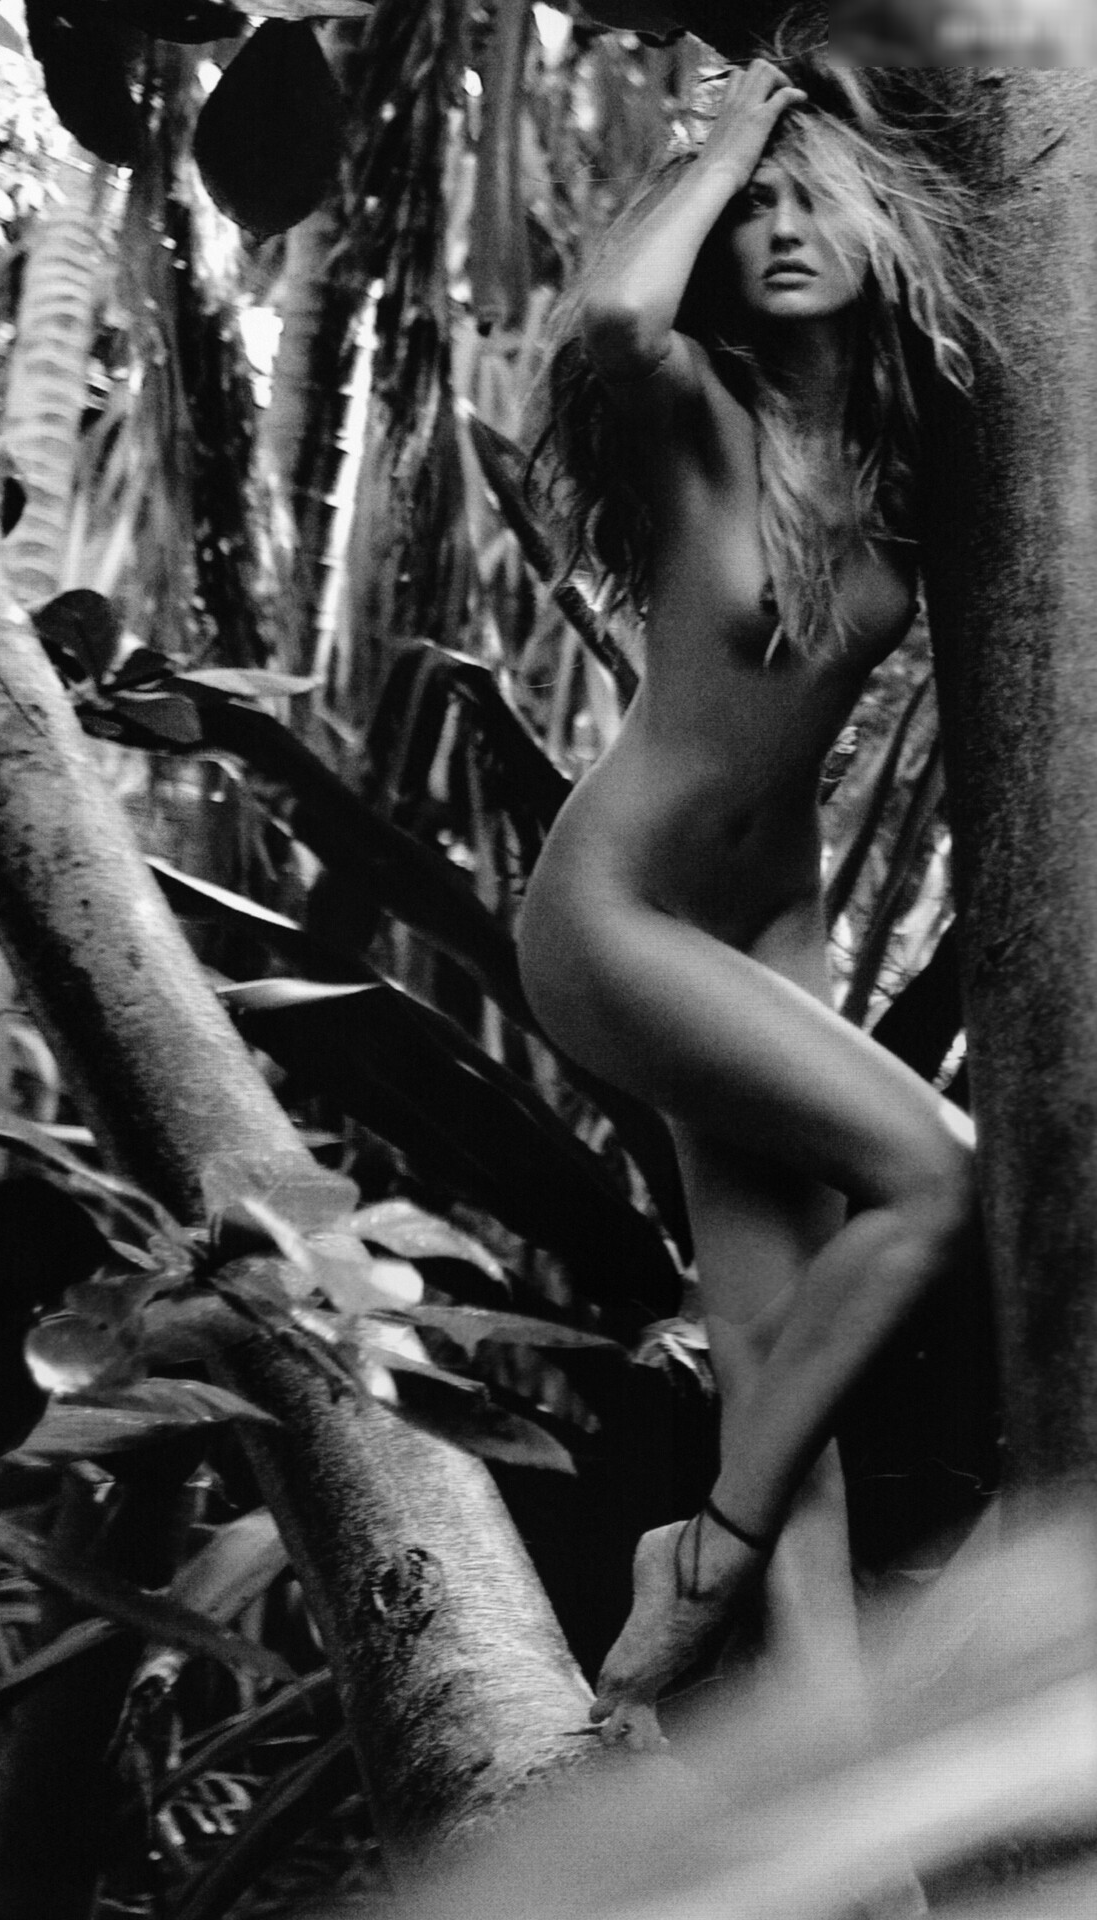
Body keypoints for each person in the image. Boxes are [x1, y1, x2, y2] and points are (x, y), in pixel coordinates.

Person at [516, 47, 982, 1755]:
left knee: (787, 1360)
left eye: (812, 201)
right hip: (620, 913)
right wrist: (730, 139)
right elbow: (610, 319)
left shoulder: (920, 464)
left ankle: (835, 1803)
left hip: (767, 923)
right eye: (754, 214)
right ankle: (700, 1560)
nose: (780, 228)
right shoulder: (708, 422)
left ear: (879, 229)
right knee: (938, 1174)